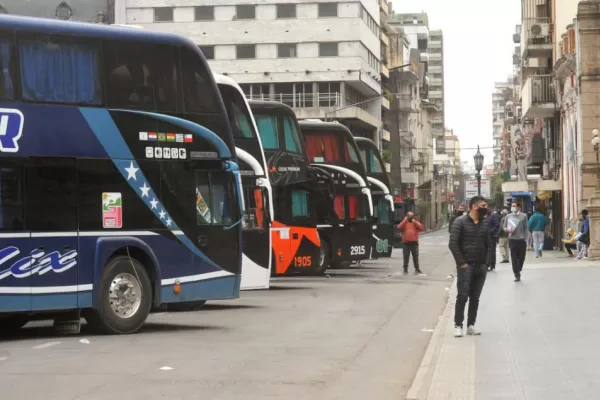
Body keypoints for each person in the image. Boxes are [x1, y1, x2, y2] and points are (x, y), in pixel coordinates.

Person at [448, 196, 493, 337]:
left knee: (475, 297)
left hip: (480, 267)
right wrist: (462, 263)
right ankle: (458, 325)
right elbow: (453, 244)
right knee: (463, 295)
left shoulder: (484, 224)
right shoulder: (459, 222)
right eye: (483, 205)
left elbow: (490, 245)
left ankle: (471, 325)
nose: (486, 208)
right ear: (474, 206)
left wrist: (486, 263)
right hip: (465, 266)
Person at [504, 201, 529, 282]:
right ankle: (516, 274)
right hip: (512, 240)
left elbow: (526, 227)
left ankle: (519, 268)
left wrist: (525, 238)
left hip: (521, 240)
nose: (513, 207)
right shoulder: (508, 216)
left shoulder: (524, 216)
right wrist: (508, 230)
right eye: (512, 206)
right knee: (514, 258)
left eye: (514, 206)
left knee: (521, 258)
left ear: (519, 207)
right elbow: (504, 227)